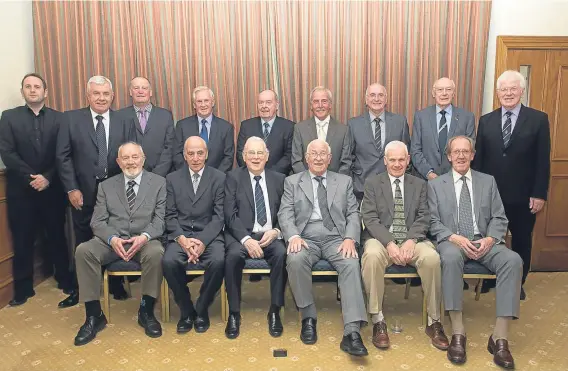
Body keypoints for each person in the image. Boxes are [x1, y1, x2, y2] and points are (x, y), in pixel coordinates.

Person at [428, 135, 522, 369]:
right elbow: (431, 220)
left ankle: (500, 338)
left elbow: (500, 216)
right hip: (453, 241)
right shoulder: (435, 185)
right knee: (449, 258)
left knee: (513, 260)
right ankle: (458, 332)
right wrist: (454, 237)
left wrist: (491, 238)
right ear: (449, 156)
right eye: (456, 152)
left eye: (465, 151)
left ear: (472, 155)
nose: (460, 156)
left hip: (485, 241)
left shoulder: (487, 182)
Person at [279, 139, 368, 356]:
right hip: (305, 237)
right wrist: (293, 236)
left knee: (350, 262)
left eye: (323, 154)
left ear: (330, 159)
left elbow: (353, 214)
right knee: (295, 259)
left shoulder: (344, 181)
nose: (318, 158)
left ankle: (352, 331)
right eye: (314, 154)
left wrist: (350, 238)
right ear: (306, 158)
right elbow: (285, 213)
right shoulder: (292, 182)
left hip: (336, 238)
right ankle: (308, 317)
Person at [73, 142, 166, 346]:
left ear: (143, 159)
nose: (131, 162)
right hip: (112, 241)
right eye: (126, 158)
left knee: (156, 252)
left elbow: (160, 220)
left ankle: (146, 309)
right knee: (83, 251)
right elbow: (97, 221)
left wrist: (145, 236)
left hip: (144, 240)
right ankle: (93, 316)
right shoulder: (106, 186)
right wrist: (112, 238)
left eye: (135, 157)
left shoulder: (159, 183)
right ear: (118, 161)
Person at [56, 75, 136, 307]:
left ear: (112, 96)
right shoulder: (70, 119)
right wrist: (72, 187)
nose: (101, 98)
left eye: (105, 94)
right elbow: (63, 156)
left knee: (117, 236)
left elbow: (130, 156)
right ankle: (82, 289)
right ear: (88, 95)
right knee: (83, 242)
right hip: (82, 192)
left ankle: (116, 283)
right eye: (96, 93)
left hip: (116, 193)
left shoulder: (123, 120)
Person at [361, 141, 448, 351]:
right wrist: (389, 243)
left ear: (408, 160)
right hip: (382, 240)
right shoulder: (373, 183)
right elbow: (370, 218)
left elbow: (424, 216)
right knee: (371, 255)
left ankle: (434, 321)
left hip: (412, 239)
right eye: (392, 160)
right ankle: (377, 319)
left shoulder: (419, 185)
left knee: (432, 258)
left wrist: (411, 240)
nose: (397, 164)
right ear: (385, 161)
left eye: (401, 159)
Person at [473, 70, 551, 300]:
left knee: (521, 239)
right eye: (503, 89)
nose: (508, 93)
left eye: (512, 88)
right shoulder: (486, 121)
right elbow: (479, 161)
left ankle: (517, 282)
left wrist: (539, 193)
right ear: (497, 93)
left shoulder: (538, 119)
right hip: (491, 195)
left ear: (521, 91)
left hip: (524, 195)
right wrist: (477, 192)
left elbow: (542, 160)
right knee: (489, 238)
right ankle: (488, 277)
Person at [0, 73, 74, 306]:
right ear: (22, 91)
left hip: (52, 189)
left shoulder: (60, 119)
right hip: (21, 190)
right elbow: (7, 153)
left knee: (56, 236)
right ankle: (23, 288)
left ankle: (64, 279)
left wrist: (48, 178)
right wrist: (31, 177)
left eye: (37, 86)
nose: (33, 90)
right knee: (22, 239)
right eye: (28, 87)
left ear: (46, 92)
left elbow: (63, 154)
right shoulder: (9, 117)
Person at [224, 137, 287, 339]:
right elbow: (229, 214)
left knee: (282, 254)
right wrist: (245, 239)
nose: (256, 157)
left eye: (260, 153)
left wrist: (276, 231)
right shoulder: (233, 178)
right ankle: (234, 313)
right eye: (251, 153)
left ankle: (275, 310)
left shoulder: (279, 179)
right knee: (232, 257)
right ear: (244, 157)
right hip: (243, 235)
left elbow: (287, 212)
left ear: (267, 156)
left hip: (271, 235)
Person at [162, 136, 226, 334]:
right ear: (184, 155)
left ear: (206, 154)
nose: (196, 158)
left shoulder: (219, 177)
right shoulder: (172, 179)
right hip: (181, 235)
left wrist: (203, 241)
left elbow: (219, 216)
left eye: (200, 153)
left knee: (218, 261)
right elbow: (169, 215)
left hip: (209, 235)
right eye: (191, 153)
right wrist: (182, 240)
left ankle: (202, 307)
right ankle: (186, 309)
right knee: (168, 262)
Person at [348, 83, 410, 202]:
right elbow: (348, 158)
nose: (376, 99)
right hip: (362, 188)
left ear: (386, 99)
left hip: (393, 186)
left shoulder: (400, 122)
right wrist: (354, 184)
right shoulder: (353, 124)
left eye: (380, 95)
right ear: (366, 99)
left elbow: (407, 156)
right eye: (372, 95)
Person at [410, 77, 475, 180]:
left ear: (453, 93)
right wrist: (429, 173)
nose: (444, 93)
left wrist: (454, 175)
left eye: (448, 89)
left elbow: (470, 150)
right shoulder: (421, 116)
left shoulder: (467, 117)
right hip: (425, 180)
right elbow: (415, 150)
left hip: (455, 179)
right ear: (433, 93)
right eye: (440, 90)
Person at [117, 76, 175, 177]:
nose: (140, 91)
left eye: (144, 88)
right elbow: (117, 147)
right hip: (129, 175)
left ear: (151, 92)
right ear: (130, 92)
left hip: (160, 177)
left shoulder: (165, 115)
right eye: (136, 88)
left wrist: (157, 175)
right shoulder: (119, 116)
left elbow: (169, 147)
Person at [291, 87, 351, 175]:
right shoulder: (299, 129)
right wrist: (309, 181)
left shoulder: (343, 130)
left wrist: (336, 183)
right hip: (306, 185)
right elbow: (296, 161)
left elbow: (346, 163)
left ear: (330, 104)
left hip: (335, 185)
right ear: (311, 105)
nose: (320, 105)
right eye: (316, 101)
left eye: (324, 101)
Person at [173, 86, 234, 172]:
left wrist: (215, 177)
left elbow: (228, 157)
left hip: (216, 180)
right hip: (188, 179)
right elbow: (177, 154)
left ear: (212, 103)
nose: (203, 105)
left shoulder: (226, 127)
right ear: (194, 105)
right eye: (199, 101)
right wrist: (189, 175)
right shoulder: (182, 126)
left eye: (206, 100)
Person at [236, 90, 295, 175]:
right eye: (260, 103)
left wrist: (269, 174)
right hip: (251, 177)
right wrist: (255, 171)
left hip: (278, 178)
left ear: (277, 106)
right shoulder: (246, 126)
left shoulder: (289, 127)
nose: (264, 106)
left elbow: (289, 156)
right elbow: (240, 153)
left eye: (268, 102)